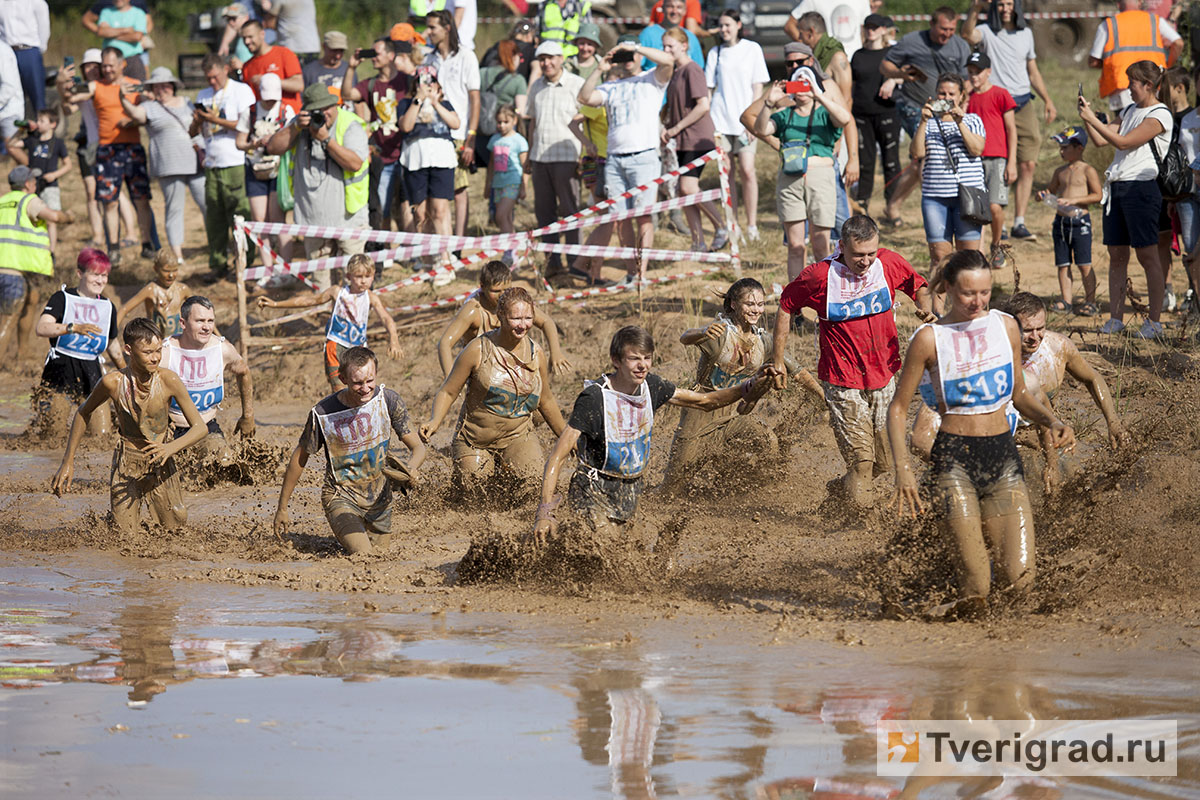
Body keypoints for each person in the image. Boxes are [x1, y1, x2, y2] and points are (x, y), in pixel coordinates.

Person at [887, 251, 1074, 617]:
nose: (978, 302)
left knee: (1021, 585)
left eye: (985, 292)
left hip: (1004, 461)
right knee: (977, 591)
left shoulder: (1005, 326)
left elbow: (1019, 395)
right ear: (948, 289)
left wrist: (1051, 422)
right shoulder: (929, 339)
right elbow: (897, 409)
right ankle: (926, 620)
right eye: (969, 293)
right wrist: (903, 469)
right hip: (954, 464)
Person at [532, 325, 775, 544]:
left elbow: (706, 401)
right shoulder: (594, 397)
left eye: (647, 358)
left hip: (631, 490)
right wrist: (545, 512)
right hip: (593, 490)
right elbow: (557, 457)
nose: (642, 366)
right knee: (604, 547)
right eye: (634, 359)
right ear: (616, 360)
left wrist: (748, 386)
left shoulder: (653, 386)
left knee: (626, 552)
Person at [773, 214, 934, 508]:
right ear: (841, 247)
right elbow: (786, 305)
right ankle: (862, 526)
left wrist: (925, 308)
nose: (866, 261)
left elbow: (919, 285)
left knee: (884, 463)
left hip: (884, 375)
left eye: (871, 253)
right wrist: (778, 359)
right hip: (841, 379)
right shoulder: (819, 276)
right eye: (859, 255)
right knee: (862, 462)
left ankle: (838, 492)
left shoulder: (888, 263)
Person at [51, 318, 208, 532]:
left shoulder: (169, 380)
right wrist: (68, 461)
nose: (155, 358)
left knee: (176, 527)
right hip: (128, 462)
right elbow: (82, 413)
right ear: (128, 350)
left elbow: (200, 427)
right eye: (148, 352)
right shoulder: (112, 382)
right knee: (124, 535)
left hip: (161, 458)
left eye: (158, 351)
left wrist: (170, 448)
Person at [274, 346, 426, 555]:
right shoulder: (323, 413)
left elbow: (418, 447)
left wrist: (410, 469)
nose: (365, 388)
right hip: (341, 496)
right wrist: (282, 508)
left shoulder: (388, 400)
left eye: (369, 380)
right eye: (357, 382)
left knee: (381, 556)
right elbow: (300, 458)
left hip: (380, 500)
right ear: (343, 378)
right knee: (365, 555)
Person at [420, 287, 567, 499]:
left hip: (518, 436)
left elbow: (547, 401)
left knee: (534, 489)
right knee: (475, 496)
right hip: (475, 439)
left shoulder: (537, 354)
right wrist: (435, 421)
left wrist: (566, 437)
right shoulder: (477, 349)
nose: (523, 324)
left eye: (528, 318)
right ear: (500, 316)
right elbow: (449, 391)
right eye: (516, 318)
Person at [662, 278, 806, 494]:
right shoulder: (720, 333)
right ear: (733, 305)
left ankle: (731, 490)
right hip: (699, 414)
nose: (756, 310)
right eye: (750, 304)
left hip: (732, 415)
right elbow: (685, 337)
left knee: (767, 439)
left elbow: (798, 371)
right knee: (672, 489)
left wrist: (823, 397)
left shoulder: (763, 341)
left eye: (760, 304)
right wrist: (702, 332)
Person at [1078, 60, 1171, 339]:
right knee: (1116, 255)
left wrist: (1096, 121)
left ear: (1149, 85)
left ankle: (1154, 321)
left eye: (1132, 82)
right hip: (1117, 188)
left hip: (1141, 189)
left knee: (1147, 254)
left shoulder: (1160, 114)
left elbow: (1125, 142)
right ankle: (1116, 319)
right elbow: (1102, 141)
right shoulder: (1130, 109)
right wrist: (1087, 117)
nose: (1127, 88)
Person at [1002, 291, 1128, 491]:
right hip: (1011, 438)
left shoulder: (1058, 347)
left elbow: (1092, 378)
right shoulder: (997, 356)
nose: (1035, 337)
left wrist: (1113, 423)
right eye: (1027, 330)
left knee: (1076, 478)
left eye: (1040, 328)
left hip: (1049, 433)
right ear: (1009, 327)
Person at [578, 39, 675, 285]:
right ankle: (632, 273)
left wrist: (636, 47)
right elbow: (585, 97)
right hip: (614, 160)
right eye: (624, 57)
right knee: (620, 218)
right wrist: (599, 68)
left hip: (644, 157)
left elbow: (668, 61)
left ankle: (641, 273)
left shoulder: (652, 78)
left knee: (643, 217)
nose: (628, 60)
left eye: (630, 56)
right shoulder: (611, 86)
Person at [961, 0, 1059, 242]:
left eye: (1009, 4)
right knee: (996, 164)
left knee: (1027, 164)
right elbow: (966, 33)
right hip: (995, 103)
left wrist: (1047, 99)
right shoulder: (986, 30)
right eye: (1001, 4)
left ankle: (1020, 222)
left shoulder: (1026, 33)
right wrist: (975, 8)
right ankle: (998, 224)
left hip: (1023, 102)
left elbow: (1032, 70)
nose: (1005, 9)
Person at [266, 83, 370, 292]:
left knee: (356, 279)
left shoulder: (349, 124)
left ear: (334, 106)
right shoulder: (299, 126)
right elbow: (273, 148)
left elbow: (355, 163)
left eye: (326, 109)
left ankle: (355, 320)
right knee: (321, 284)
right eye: (316, 111)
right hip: (312, 218)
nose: (323, 115)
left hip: (348, 218)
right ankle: (327, 319)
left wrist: (326, 140)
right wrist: (295, 127)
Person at [756, 67, 852, 280]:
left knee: (821, 243)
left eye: (806, 82)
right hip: (790, 179)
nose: (801, 86)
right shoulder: (784, 115)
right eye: (797, 82)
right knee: (795, 246)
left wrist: (819, 95)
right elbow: (761, 129)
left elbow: (845, 118)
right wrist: (768, 103)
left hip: (821, 177)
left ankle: (824, 296)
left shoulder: (824, 113)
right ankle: (796, 305)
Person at [879, 8, 971, 227]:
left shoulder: (960, 46)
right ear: (931, 24)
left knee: (919, 161)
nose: (947, 34)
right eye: (943, 29)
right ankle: (936, 209)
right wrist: (901, 75)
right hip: (914, 106)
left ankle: (893, 205)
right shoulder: (911, 41)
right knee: (926, 155)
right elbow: (885, 65)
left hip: (948, 112)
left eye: (951, 29)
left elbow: (965, 82)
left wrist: (963, 106)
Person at [257, 254, 401, 392]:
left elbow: (386, 318)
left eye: (367, 276)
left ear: (373, 275)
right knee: (339, 390)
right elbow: (310, 301)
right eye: (358, 276)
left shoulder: (371, 297)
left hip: (358, 349)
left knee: (360, 389)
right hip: (335, 345)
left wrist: (394, 340)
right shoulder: (337, 292)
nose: (363, 281)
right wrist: (276, 304)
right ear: (348, 276)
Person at [65, 47, 155, 263]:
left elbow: (151, 104)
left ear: (121, 64)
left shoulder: (133, 84)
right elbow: (74, 93)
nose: (106, 69)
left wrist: (134, 119)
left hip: (132, 146)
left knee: (141, 198)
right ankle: (113, 247)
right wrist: (64, 84)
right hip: (107, 149)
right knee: (109, 201)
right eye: (103, 65)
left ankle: (146, 243)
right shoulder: (97, 86)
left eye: (110, 66)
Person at [117, 67, 205, 266]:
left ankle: (217, 245)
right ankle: (178, 253)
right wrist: (122, 98)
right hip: (169, 165)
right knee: (174, 209)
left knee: (207, 203)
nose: (162, 89)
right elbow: (136, 114)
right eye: (157, 86)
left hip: (195, 162)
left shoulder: (188, 103)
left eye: (165, 85)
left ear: (173, 86)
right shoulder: (150, 107)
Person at [436, 260, 570, 376]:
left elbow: (546, 321)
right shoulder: (473, 310)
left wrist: (556, 352)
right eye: (495, 291)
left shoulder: (513, 300)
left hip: (510, 363)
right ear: (482, 287)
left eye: (506, 290)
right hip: (480, 369)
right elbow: (445, 343)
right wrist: (450, 377)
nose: (502, 295)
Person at [162, 295, 255, 463]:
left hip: (206, 427)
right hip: (170, 427)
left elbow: (244, 372)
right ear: (183, 323)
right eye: (199, 321)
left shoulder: (223, 349)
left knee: (225, 461)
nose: (206, 327)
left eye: (210, 321)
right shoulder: (165, 351)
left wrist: (247, 416)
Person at [36, 249, 123, 426]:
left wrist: (128, 374)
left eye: (104, 275)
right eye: (95, 274)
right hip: (61, 366)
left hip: (92, 370)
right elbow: (42, 328)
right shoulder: (62, 298)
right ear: (80, 273)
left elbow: (113, 344)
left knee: (102, 435)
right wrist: (73, 328)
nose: (100, 280)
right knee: (54, 432)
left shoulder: (108, 306)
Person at [913, 73, 987, 282]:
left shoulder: (972, 120)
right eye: (941, 93)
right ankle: (937, 312)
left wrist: (959, 122)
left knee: (970, 258)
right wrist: (923, 122)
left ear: (961, 96)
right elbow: (917, 153)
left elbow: (977, 149)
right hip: (935, 197)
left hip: (969, 196)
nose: (945, 98)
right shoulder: (926, 123)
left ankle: (971, 308)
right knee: (939, 258)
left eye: (951, 94)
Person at [190, 54, 255, 281]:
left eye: (215, 77)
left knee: (239, 215)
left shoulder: (241, 91)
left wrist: (214, 119)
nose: (211, 82)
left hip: (235, 161)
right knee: (214, 216)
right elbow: (192, 133)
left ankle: (246, 264)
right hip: (212, 162)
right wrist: (199, 120)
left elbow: (245, 124)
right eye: (208, 78)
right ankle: (217, 264)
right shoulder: (203, 95)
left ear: (225, 69)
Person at [0, 165, 74, 364]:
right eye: (33, 181)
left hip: (16, 269)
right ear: (27, 184)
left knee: (30, 302)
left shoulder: (2, 201)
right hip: (15, 269)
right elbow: (54, 217)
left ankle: (22, 353)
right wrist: (69, 216)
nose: (35, 184)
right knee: (8, 319)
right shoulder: (29, 200)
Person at [660, 29, 726, 253]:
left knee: (689, 187)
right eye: (664, 47)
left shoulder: (692, 70)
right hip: (681, 140)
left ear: (684, 45)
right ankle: (697, 241)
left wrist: (677, 127)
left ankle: (721, 227)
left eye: (670, 46)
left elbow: (702, 105)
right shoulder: (676, 71)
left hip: (697, 137)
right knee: (682, 191)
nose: (666, 51)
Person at [705, 9, 768, 242]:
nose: (724, 30)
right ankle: (733, 223)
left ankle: (752, 225)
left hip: (745, 122)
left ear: (738, 25)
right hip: (721, 121)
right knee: (727, 174)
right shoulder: (715, 52)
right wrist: (710, 124)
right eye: (721, 26)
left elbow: (757, 87)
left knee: (748, 171)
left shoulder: (752, 49)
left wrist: (753, 121)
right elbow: (709, 89)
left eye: (728, 25)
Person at [342, 37, 414, 233]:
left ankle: (413, 250)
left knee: (408, 205)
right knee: (381, 206)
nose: (373, 58)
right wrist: (351, 68)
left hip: (408, 152)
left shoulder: (405, 81)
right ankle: (385, 251)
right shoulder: (370, 84)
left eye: (377, 53)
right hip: (383, 155)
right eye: (371, 53)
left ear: (391, 56)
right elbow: (347, 94)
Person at [526, 41, 584, 280]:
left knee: (570, 212)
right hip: (540, 158)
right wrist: (529, 154)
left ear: (561, 58)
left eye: (551, 58)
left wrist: (585, 155)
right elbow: (532, 122)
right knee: (544, 213)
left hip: (568, 157)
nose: (546, 63)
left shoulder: (576, 85)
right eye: (542, 59)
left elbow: (588, 120)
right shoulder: (536, 87)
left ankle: (575, 263)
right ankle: (552, 262)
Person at [425, 10, 480, 256]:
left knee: (459, 191)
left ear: (447, 28)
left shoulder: (467, 56)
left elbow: (475, 99)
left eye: (432, 27)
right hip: (433, 132)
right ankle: (440, 245)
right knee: (437, 193)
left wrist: (471, 136)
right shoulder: (429, 60)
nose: (429, 32)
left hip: (458, 134)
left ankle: (458, 245)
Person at [397, 72, 459, 283]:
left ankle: (445, 260)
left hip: (442, 159)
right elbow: (405, 126)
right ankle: (427, 260)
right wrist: (418, 100)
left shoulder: (445, 103)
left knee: (440, 211)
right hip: (416, 160)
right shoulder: (406, 103)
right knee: (421, 213)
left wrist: (436, 102)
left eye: (431, 81)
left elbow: (456, 123)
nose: (427, 84)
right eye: (422, 81)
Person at [1038, 126, 1102, 315]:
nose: (1062, 151)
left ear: (1079, 148)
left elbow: (1098, 195)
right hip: (1061, 222)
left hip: (1080, 221)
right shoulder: (1060, 171)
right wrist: (1042, 195)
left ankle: (1090, 301)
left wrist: (1074, 200)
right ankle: (1066, 300)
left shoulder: (1088, 170)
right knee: (1063, 263)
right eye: (1061, 148)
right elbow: (1050, 190)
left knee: (1084, 263)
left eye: (1066, 147)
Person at [235, 71, 294, 274]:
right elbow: (239, 142)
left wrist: (276, 142)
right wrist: (253, 143)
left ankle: (286, 269)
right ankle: (268, 270)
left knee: (279, 219)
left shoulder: (287, 111)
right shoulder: (249, 112)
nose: (269, 103)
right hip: (255, 168)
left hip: (279, 170)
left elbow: (293, 139)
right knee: (260, 220)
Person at [964, 51, 1017, 264]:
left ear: (988, 72)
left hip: (997, 157)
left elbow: (1011, 129)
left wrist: (1011, 161)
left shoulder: (1000, 94)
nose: (974, 76)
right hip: (975, 158)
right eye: (970, 72)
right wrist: (965, 97)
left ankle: (997, 245)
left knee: (995, 207)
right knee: (977, 210)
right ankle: (979, 251)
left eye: (978, 72)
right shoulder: (968, 98)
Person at [1089, 0, 1181, 113]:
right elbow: (1178, 43)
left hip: (1122, 87)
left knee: (1124, 127)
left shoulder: (1108, 25)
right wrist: (1168, 65)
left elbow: (1093, 61)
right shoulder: (1155, 21)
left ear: (1118, 4)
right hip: (1152, 84)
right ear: (1140, 2)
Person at [851, 14, 901, 218]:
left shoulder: (893, 53)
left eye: (875, 27)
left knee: (891, 161)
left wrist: (894, 81)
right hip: (862, 114)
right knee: (865, 162)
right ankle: (862, 207)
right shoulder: (858, 55)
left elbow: (909, 74)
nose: (870, 31)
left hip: (887, 112)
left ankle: (892, 207)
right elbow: (851, 84)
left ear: (883, 30)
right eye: (868, 27)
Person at [4, 107, 68, 254]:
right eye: (38, 120)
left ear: (53, 124)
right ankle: (36, 246)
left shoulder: (57, 143)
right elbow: (12, 144)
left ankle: (51, 251)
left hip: (50, 185)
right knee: (33, 216)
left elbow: (68, 164)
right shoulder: (32, 140)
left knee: (51, 219)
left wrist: (55, 174)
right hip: (32, 185)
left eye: (42, 121)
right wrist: (21, 129)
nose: (38, 123)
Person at [485, 105, 528, 263]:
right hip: (498, 184)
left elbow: (525, 167)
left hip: (513, 183)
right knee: (506, 219)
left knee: (500, 215)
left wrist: (524, 187)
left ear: (514, 121)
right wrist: (487, 185)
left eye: (505, 122)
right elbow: (491, 164)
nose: (501, 125)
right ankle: (512, 251)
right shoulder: (494, 140)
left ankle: (510, 250)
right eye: (499, 122)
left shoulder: (519, 141)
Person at [476, 39, 529, 169]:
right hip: (505, 134)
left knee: (491, 171)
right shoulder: (517, 80)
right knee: (505, 172)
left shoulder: (482, 73)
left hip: (482, 131)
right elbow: (520, 111)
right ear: (514, 56)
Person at [117, 248, 191, 338]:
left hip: (179, 340)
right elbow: (124, 309)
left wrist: (213, 333)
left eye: (175, 270)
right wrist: (111, 335)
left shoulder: (182, 289)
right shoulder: (151, 290)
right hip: (157, 341)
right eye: (166, 271)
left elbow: (200, 309)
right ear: (156, 269)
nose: (171, 275)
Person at [241, 19, 304, 114]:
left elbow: (298, 85)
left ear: (262, 34)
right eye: (244, 38)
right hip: (263, 123)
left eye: (250, 37)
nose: (247, 41)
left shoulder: (284, 54)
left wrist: (267, 81)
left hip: (289, 119)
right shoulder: (247, 67)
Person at [0, 0, 49, 114]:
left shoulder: (37, 2)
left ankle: (41, 126)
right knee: (7, 90)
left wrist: (38, 49)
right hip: (6, 52)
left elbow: (44, 28)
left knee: (37, 95)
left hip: (29, 51)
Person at [786, 0, 871, 58]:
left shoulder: (862, 1)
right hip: (828, 59)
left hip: (857, 58)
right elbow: (789, 25)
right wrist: (808, 47)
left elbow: (866, 28)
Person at [638, 0, 702, 69]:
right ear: (662, 8)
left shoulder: (691, 37)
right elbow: (636, 66)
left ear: (685, 11)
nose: (674, 11)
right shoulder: (648, 34)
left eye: (679, 7)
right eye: (670, 6)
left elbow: (699, 69)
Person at [96, 0, 147, 80]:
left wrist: (111, 33)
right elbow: (101, 32)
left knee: (136, 89)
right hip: (109, 62)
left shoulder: (138, 13)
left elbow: (137, 36)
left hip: (132, 60)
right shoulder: (106, 12)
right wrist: (126, 30)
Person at [302, 31, 353, 103]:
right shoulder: (309, 71)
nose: (338, 56)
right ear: (324, 46)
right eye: (334, 51)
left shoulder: (349, 69)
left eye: (341, 51)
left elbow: (356, 102)